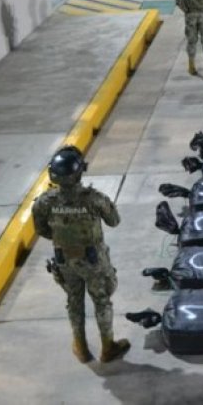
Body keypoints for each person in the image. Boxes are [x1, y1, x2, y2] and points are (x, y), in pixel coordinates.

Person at [32, 146, 130, 363]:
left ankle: (80, 347)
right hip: (93, 261)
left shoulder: (44, 202)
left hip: (64, 260)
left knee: (74, 301)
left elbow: (42, 230)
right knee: (102, 301)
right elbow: (114, 221)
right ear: (79, 172)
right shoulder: (94, 199)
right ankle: (107, 347)